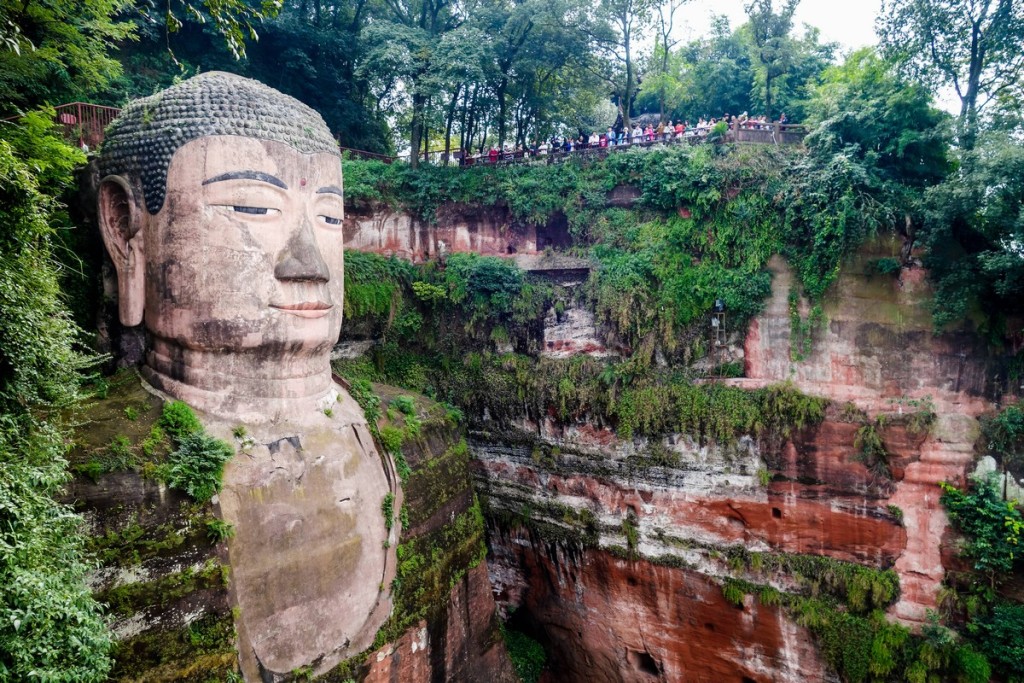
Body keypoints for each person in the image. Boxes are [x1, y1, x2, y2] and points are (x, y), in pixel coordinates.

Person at [96, 72, 397, 679]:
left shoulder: (410, 433)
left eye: (330, 218)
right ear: (128, 230)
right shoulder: (92, 498)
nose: (308, 263)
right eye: (252, 207)